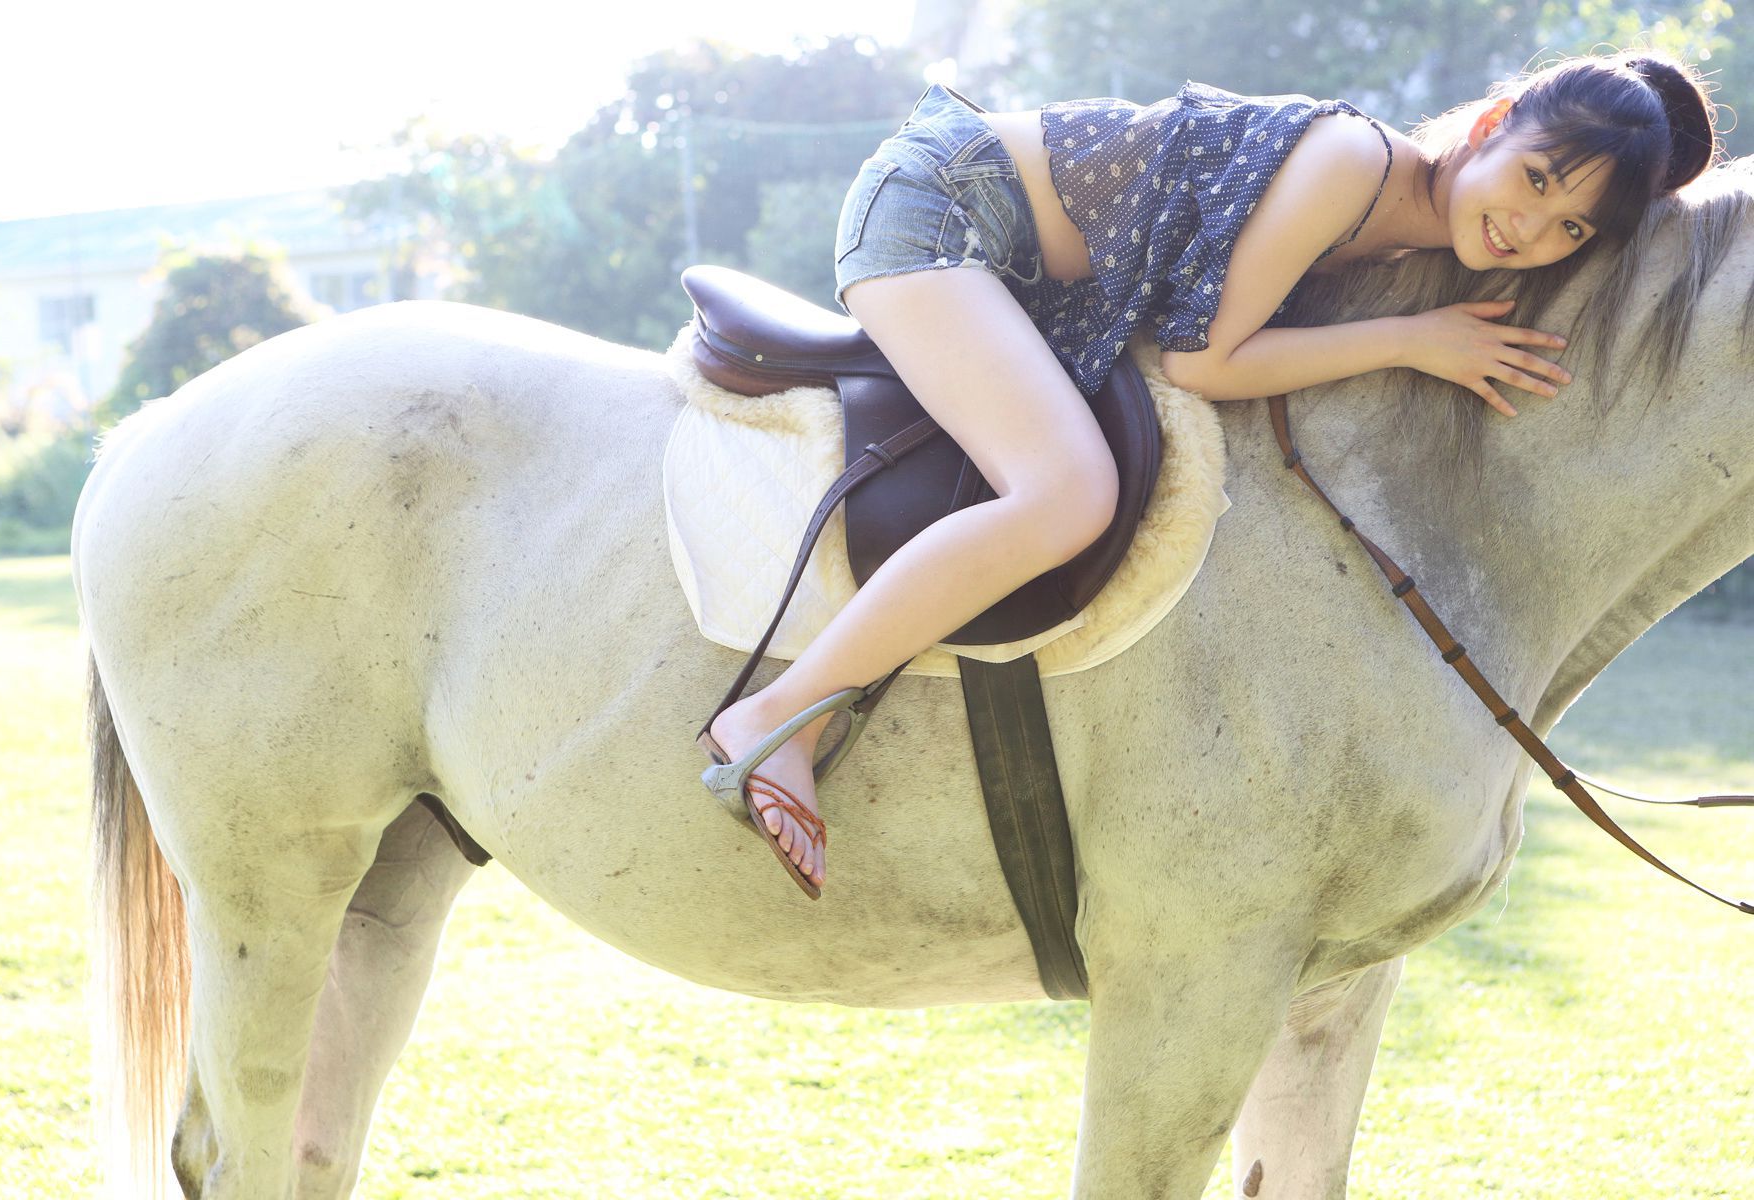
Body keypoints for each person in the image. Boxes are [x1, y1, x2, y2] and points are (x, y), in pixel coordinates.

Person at [698, 50, 1718, 898]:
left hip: (1008, 259)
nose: (1530, 232)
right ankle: (780, 715)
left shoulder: (1422, 224)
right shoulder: (1353, 164)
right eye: (1537, 180)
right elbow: (1205, 361)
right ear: (1495, 121)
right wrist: (1416, 340)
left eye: (1572, 229)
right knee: (1065, 492)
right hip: (943, 209)